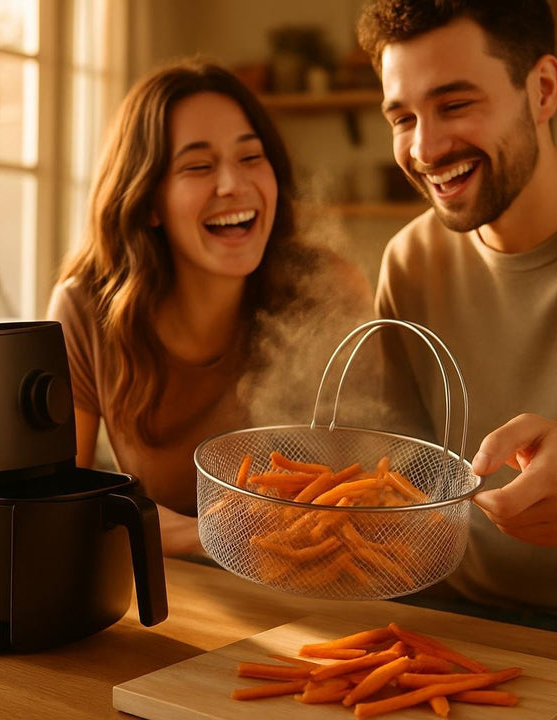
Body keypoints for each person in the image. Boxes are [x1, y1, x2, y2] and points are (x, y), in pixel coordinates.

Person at [357, 0, 557, 642]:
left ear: (543, 90)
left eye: (455, 104)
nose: (425, 147)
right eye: (403, 117)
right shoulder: (410, 261)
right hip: (455, 622)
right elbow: (401, 476)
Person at [47, 57, 373, 558]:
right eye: (198, 166)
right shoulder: (86, 308)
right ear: (148, 201)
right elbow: (55, 506)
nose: (232, 185)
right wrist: (216, 538)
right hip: (172, 592)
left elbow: (366, 488)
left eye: (250, 158)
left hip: (313, 581)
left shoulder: (326, 289)